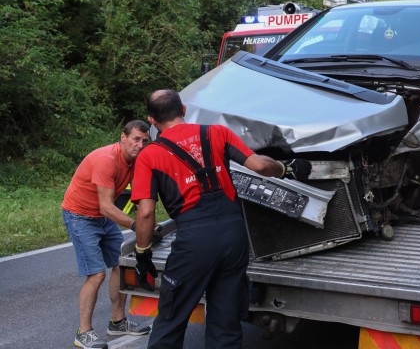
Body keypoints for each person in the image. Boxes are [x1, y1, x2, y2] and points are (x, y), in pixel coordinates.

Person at [131, 89, 312, 349]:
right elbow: (260, 165)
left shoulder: (149, 155)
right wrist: (288, 167)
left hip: (194, 241)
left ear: (151, 121)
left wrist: (142, 254)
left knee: (170, 322)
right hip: (233, 235)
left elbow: (146, 212)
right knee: (225, 327)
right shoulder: (216, 132)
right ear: (183, 110)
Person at [61, 120, 152, 349]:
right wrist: (136, 226)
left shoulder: (135, 161)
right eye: (135, 139)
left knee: (121, 265)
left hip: (104, 217)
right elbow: (106, 206)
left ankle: (118, 322)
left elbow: (141, 197)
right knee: (96, 275)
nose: (140, 145)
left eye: (144, 140)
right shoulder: (107, 160)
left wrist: (149, 219)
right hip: (80, 216)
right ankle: (83, 333)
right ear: (123, 137)